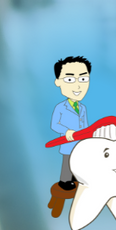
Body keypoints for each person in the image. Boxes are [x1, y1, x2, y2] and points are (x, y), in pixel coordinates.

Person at [48, 55, 94, 215]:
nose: (77, 85)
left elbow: (85, 125)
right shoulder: (60, 107)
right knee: (66, 175)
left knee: (81, 173)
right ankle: (59, 202)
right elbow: (55, 124)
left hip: (81, 146)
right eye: (69, 80)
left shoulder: (82, 108)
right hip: (68, 146)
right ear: (58, 82)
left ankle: (80, 204)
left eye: (83, 79)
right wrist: (66, 131)